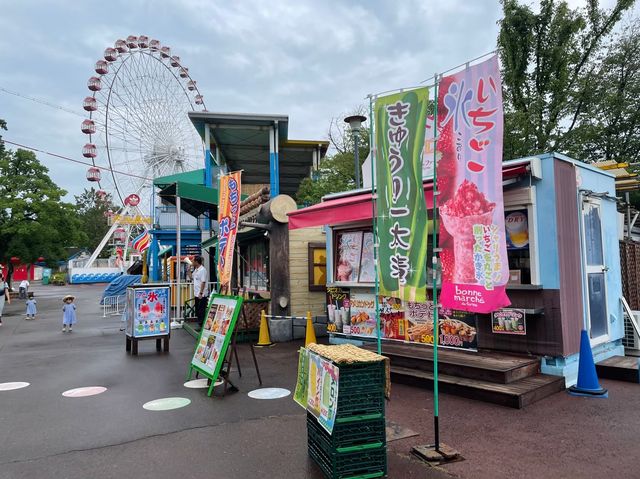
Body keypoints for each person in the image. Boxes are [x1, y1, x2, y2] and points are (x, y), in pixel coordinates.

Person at [192, 256, 209, 324]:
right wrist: (188, 271)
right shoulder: (196, 269)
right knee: (197, 309)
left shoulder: (203, 270)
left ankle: (201, 324)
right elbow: (191, 277)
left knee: (201, 309)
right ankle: (200, 322)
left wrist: (201, 293)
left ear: (196, 262)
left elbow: (203, 282)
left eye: (193, 261)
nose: (192, 262)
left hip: (201, 294)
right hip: (196, 293)